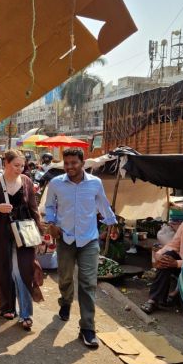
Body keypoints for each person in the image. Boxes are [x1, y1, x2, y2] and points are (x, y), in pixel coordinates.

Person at [44, 147, 117, 349]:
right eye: (66, 163)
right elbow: (49, 206)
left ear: (82, 163)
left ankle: (87, 328)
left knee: (87, 283)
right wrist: (51, 222)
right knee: (65, 276)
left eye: (74, 163)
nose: (70, 167)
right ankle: (66, 301)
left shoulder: (95, 183)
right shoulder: (56, 184)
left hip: (89, 240)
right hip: (65, 238)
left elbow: (103, 205)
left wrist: (112, 223)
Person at [0, 149, 43, 330]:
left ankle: (26, 314)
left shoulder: (26, 181)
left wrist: (39, 232)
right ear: (5, 164)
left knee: (22, 271)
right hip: (1, 233)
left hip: (24, 233)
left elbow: (33, 208)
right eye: (16, 165)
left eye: (22, 165)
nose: (19, 169)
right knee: (4, 269)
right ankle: (7, 307)